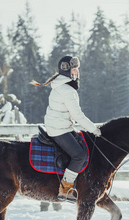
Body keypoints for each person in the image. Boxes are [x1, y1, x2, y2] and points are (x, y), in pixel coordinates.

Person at [31, 56, 101, 202]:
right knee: (79, 155)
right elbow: (77, 115)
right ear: (67, 72)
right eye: (74, 70)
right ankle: (65, 189)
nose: (77, 73)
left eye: (77, 70)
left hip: (61, 126)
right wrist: (94, 130)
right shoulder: (67, 90)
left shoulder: (62, 86)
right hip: (59, 129)